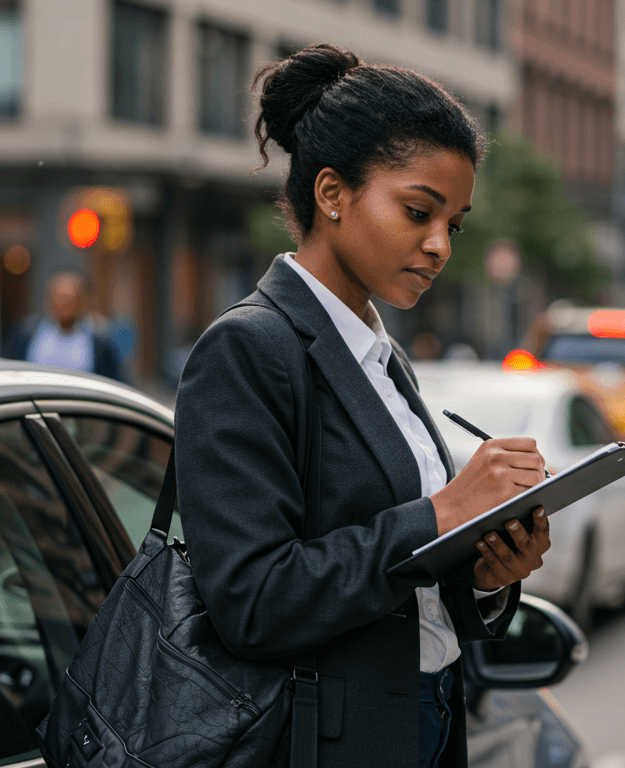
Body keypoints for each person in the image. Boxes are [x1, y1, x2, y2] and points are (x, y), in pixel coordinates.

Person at [174, 44, 552, 768]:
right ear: (332, 193)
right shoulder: (250, 350)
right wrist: (443, 513)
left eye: (455, 223)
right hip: (323, 740)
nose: (440, 245)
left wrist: (484, 573)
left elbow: (409, 588)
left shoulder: (381, 355)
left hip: (428, 717)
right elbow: (252, 601)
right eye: (418, 211)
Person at [2, 271, 127, 381]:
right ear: (48, 300)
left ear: (83, 301)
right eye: (59, 298)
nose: (64, 305)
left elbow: (115, 382)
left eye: (69, 299)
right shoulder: (26, 334)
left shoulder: (100, 341)